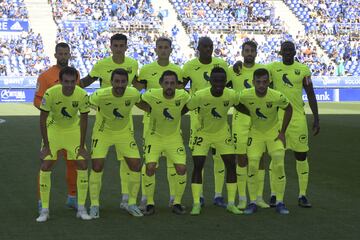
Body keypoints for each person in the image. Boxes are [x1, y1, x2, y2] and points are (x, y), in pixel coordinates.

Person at [81, 33, 139, 209]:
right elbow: (85, 81)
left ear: (126, 47)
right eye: (116, 45)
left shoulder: (133, 64)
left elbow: (137, 84)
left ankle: (125, 198)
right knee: (98, 163)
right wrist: (65, 87)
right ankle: (95, 204)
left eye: (122, 46)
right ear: (111, 46)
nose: (119, 49)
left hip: (125, 120)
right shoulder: (101, 64)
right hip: (104, 118)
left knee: (126, 161)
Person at [186, 67, 245, 215]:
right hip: (203, 133)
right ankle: (196, 203)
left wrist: (257, 115)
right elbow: (185, 108)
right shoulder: (200, 95)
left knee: (231, 165)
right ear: (210, 81)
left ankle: (231, 203)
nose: (219, 83)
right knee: (198, 166)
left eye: (222, 80)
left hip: (222, 133)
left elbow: (241, 107)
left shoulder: (231, 94)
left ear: (226, 81)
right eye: (216, 80)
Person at [133, 37, 183, 209]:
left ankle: (173, 197)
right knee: (150, 162)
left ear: (171, 50)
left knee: (172, 162)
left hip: (172, 125)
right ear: (155, 50)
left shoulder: (177, 70)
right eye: (160, 47)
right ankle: (146, 198)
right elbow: (137, 91)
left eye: (166, 47)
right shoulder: (147, 69)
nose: (163, 50)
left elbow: (181, 97)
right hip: (151, 123)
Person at [268, 41, 320, 208]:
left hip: (297, 120)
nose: (288, 52)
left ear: (295, 51)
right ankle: (274, 195)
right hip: (277, 119)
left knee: (301, 156)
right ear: (280, 52)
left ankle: (302, 194)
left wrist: (316, 118)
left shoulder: (303, 70)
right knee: (276, 157)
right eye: (285, 49)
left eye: (291, 49)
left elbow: (311, 94)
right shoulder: (272, 69)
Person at [36, 67, 91, 222]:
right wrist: (46, 145)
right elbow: (42, 119)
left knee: (82, 163)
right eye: (66, 81)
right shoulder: (51, 93)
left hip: (72, 130)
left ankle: (81, 208)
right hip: (54, 129)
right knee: (45, 165)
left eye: (73, 82)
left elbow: (84, 120)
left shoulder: (82, 95)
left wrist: (81, 147)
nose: (69, 85)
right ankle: (45, 210)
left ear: (76, 81)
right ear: (60, 81)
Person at [88, 68, 143, 218]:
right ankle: (94, 205)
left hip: (124, 133)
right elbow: (87, 104)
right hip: (102, 132)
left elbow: (142, 104)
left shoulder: (133, 93)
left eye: (123, 81)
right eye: (117, 81)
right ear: (111, 82)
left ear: (127, 82)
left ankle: (131, 203)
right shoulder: (100, 95)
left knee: (136, 165)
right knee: (97, 166)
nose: (120, 84)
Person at [237, 68, 293, 215]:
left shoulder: (276, 96)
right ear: (253, 82)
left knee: (279, 163)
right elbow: (235, 102)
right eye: (258, 82)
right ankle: (253, 202)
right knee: (253, 164)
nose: (261, 85)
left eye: (264, 82)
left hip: (273, 133)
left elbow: (289, 108)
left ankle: (280, 202)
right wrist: (248, 112)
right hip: (255, 133)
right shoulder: (245, 94)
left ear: (269, 82)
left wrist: (282, 132)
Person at [182, 37, 229, 208]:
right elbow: (181, 86)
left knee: (219, 158)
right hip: (198, 119)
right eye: (204, 46)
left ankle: (218, 195)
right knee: (199, 159)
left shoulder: (221, 64)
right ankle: (199, 196)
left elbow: (229, 84)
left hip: (218, 120)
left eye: (210, 46)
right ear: (198, 48)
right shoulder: (189, 66)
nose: (208, 49)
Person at [136, 70, 189, 215]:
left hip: (174, 137)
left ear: (177, 85)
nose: (169, 86)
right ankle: (150, 203)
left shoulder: (183, 95)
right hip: (154, 137)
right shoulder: (151, 94)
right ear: (161, 84)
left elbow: (190, 105)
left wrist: (178, 113)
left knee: (181, 169)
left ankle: (177, 202)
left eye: (172, 83)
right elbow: (138, 100)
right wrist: (148, 109)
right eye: (166, 83)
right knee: (150, 167)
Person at [33, 42, 78, 211]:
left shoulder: (75, 74)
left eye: (66, 53)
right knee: (47, 163)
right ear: (55, 55)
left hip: (71, 127)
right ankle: (41, 202)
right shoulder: (45, 76)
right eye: (61, 53)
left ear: (69, 55)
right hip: (52, 125)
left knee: (73, 162)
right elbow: (37, 99)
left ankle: (72, 197)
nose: (64, 56)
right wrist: (51, 111)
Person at [228, 40, 270, 209]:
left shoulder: (264, 71)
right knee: (241, 159)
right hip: (239, 121)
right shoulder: (233, 71)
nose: (249, 53)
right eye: (247, 50)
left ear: (257, 52)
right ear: (242, 52)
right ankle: (243, 198)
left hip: (259, 122)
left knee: (259, 159)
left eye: (252, 50)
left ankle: (258, 197)